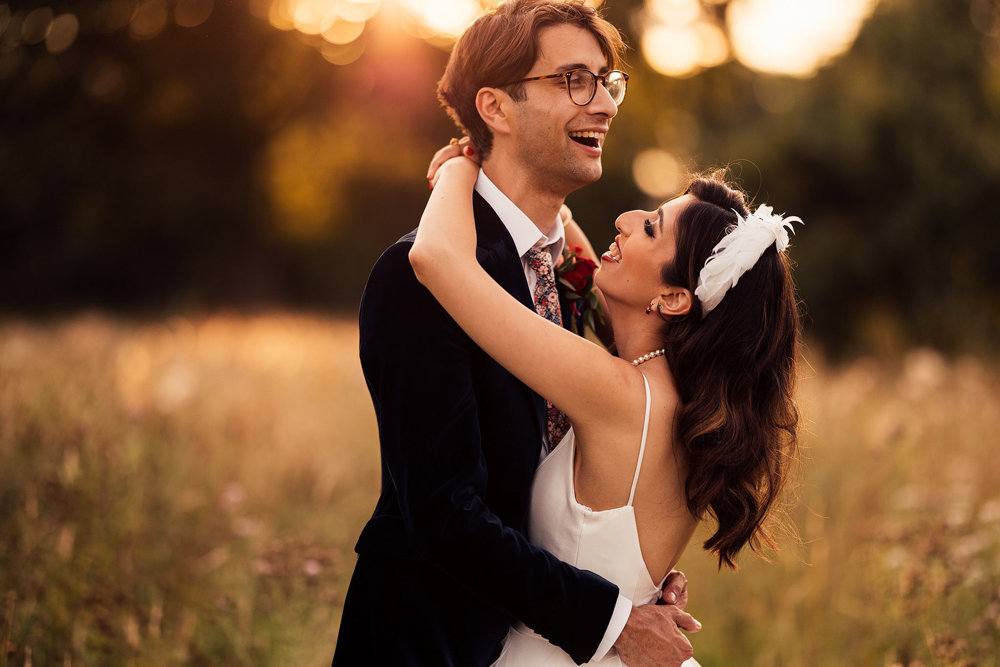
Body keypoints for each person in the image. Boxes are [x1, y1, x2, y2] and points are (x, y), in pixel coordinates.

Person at [332, 1, 700, 666]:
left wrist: (628, 572)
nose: (606, 105)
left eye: (606, 82)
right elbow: (444, 515)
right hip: (434, 647)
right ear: (496, 108)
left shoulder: (583, 276)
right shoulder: (418, 275)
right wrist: (611, 619)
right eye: (573, 81)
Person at [411, 150, 801, 664]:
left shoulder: (618, 394)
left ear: (675, 299)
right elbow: (581, 255)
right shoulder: (686, 401)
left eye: (651, 228)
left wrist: (461, 167)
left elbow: (435, 260)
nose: (625, 220)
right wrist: (539, 186)